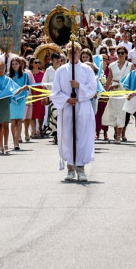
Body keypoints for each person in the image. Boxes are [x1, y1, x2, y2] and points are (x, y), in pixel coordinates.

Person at [51, 42, 98, 181]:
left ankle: (81, 168)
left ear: (79, 53)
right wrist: (66, 99)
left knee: (82, 136)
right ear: (67, 54)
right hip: (67, 108)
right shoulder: (61, 71)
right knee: (68, 137)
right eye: (70, 52)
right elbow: (55, 92)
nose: (73, 55)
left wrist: (79, 87)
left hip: (82, 107)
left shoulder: (87, 70)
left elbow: (92, 88)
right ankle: (70, 168)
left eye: (76, 52)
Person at [103, 46, 133, 143]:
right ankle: (116, 133)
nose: (120, 55)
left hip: (124, 92)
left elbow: (132, 80)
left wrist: (131, 92)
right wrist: (105, 91)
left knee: (122, 113)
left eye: (122, 53)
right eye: (119, 53)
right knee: (114, 113)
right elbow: (109, 79)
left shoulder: (130, 65)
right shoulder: (112, 65)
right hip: (114, 92)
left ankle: (119, 135)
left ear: (126, 54)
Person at [8, 56, 31, 151]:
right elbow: (7, 88)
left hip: (21, 99)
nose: (14, 66)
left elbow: (28, 86)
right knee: (13, 121)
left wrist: (24, 88)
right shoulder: (8, 75)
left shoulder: (25, 75)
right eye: (13, 64)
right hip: (12, 100)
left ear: (20, 64)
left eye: (16, 64)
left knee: (19, 121)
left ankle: (17, 141)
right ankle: (15, 141)